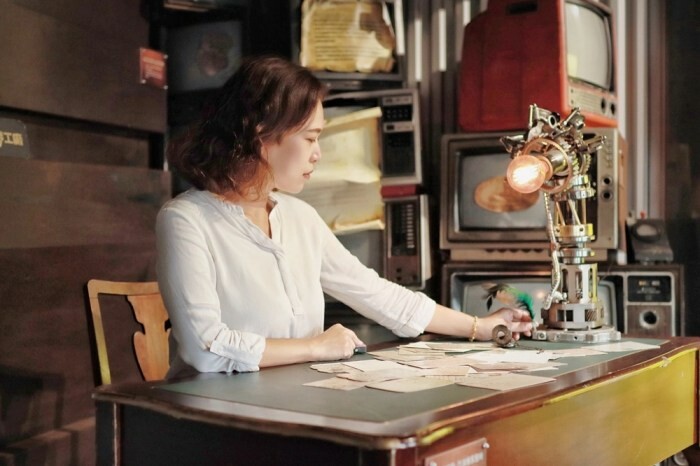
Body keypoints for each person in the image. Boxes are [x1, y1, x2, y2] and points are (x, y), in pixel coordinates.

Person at [156, 55, 533, 378]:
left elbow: (379, 295)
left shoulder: (300, 217)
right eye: (310, 138)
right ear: (262, 135)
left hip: (293, 402)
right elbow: (206, 348)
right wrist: (316, 347)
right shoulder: (186, 220)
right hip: (213, 416)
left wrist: (479, 326)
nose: (318, 153)